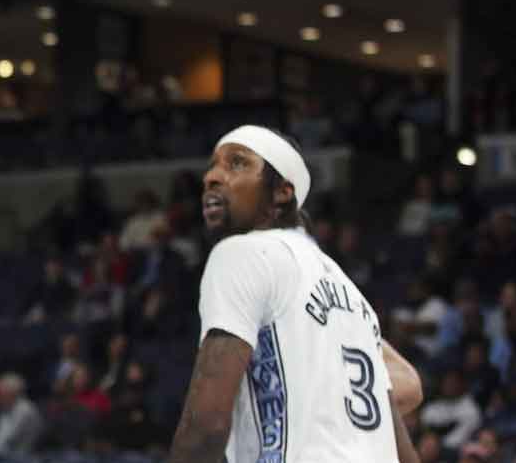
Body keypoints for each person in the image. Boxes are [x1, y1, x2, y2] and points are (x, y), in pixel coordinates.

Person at [165, 126, 421, 462]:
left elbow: (206, 425)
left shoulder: (242, 253)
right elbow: (400, 442)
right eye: (213, 165)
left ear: (282, 192)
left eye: (237, 163)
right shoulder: (353, 297)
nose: (211, 177)